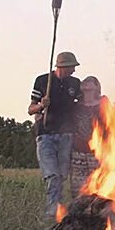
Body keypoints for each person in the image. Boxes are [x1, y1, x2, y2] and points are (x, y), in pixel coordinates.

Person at [28, 51, 81, 217]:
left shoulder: (75, 83)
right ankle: (52, 213)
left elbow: (81, 103)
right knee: (53, 176)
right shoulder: (43, 81)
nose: (73, 70)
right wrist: (41, 105)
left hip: (66, 135)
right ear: (61, 67)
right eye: (71, 67)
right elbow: (31, 109)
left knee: (62, 175)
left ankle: (59, 208)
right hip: (46, 135)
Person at [70, 76, 109, 202]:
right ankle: (78, 212)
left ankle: (97, 211)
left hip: (97, 152)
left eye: (90, 81)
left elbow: (111, 124)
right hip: (78, 151)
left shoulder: (103, 104)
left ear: (97, 86)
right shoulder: (76, 106)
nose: (86, 82)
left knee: (98, 184)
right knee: (78, 188)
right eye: (85, 81)